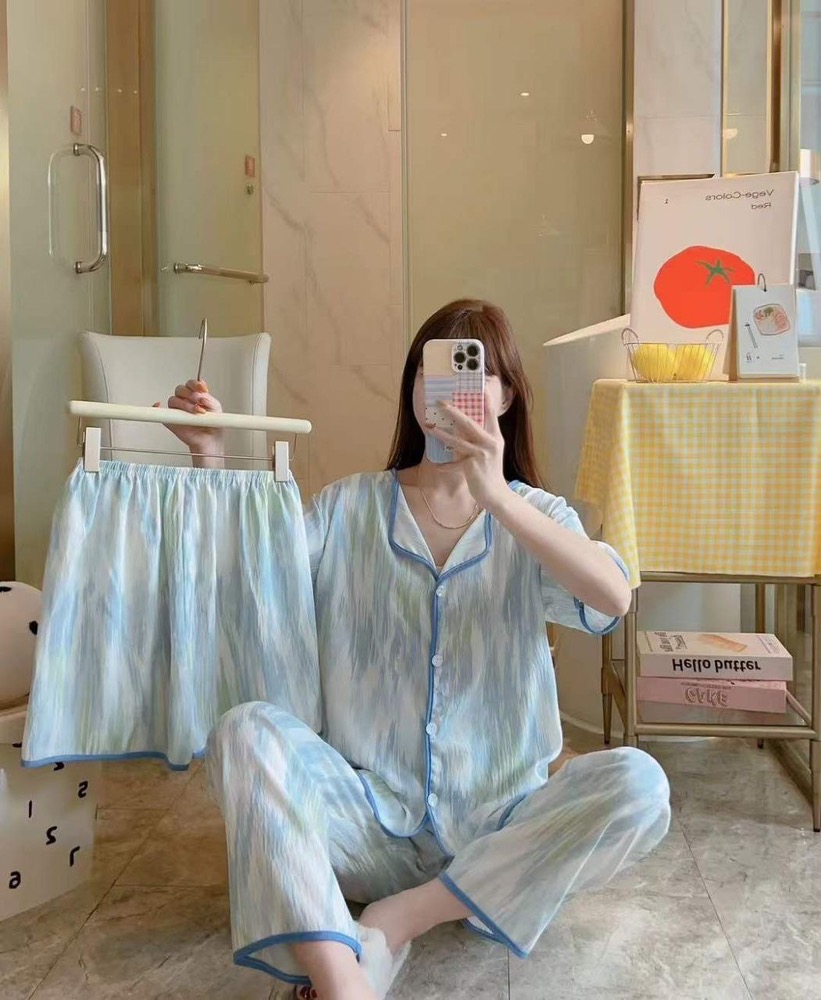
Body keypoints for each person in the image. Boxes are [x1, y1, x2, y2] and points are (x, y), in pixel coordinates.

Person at [162, 300, 670, 1000]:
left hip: (497, 831)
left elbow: (612, 598)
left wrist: (498, 497)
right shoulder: (347, 506)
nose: (451, 390)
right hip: (363, 825)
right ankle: (343, 978)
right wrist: (210, 457)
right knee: (243, 729)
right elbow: (248, 581)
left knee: (640, 785)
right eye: (433, 371)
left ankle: (396, 922)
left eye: (474, 371)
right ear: (412, 389)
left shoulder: (537, 517)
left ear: (506, 395)